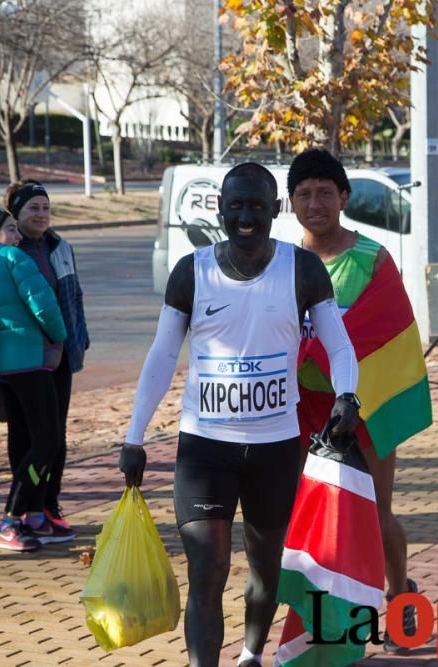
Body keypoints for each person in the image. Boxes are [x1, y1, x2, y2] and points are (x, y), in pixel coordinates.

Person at [118, 162, 360, 667]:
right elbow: (163, 356)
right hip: (206, 448)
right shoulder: (192, 271)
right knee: (207, 567)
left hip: (275, 448)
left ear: (274, 210)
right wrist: (134, 435)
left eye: (256, 206)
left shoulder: (302, 269)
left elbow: (338, 344)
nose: (246, 217)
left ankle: (250, 654)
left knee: (265, 567)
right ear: (220, 210)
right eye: (236, 206)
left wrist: (346, 395)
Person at [286, 148, 432, 653]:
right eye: (303, 194)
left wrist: (321, 358)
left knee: (376, 512)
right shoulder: (284, 261)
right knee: (305, 518)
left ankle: (400, 598)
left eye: (325, 192)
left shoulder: (372, 258)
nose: (315, 203)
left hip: (361, 406)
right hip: (300, 410)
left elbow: (385, 330)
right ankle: (323, 618)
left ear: (344, 197)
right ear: (291, 202)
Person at [0, 208, 68, 551]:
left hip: (7, 368)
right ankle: (10, 519)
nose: (18, 235)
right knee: (47, 442)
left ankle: (33, 515)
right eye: (10, 229)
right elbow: (43, 302)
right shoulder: (13, 258)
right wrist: (58, 336)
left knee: (29, 440)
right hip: (33, 360)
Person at [0, 180, 89, 541]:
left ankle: (46, 505)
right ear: (16, 214)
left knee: (56, 437)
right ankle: (23, 509)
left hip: (60, 356)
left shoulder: (59, 246)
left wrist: (79, 339)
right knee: (28, 437)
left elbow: (74, 296)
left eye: (44, 207)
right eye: (32, 208)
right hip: (23, 359)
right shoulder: (7, 250)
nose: (40, 214)